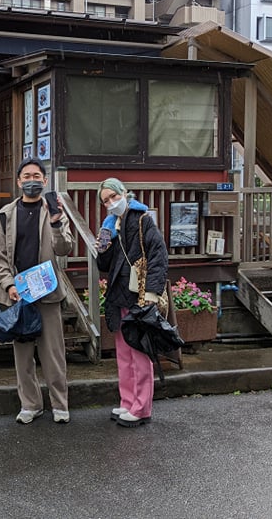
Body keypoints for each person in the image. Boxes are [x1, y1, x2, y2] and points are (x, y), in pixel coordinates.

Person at [0, 159, 75, 424]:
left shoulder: (53, 211)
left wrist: (55, 223)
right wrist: (9, 285)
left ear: (45, 181)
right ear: (18, 182)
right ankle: (30, 404)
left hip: (47, 292)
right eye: (26, 176)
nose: (31, 180)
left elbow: (65, 249)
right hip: (18, 294)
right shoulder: (6, 215)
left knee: (53, 354)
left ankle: (60, 404)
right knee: (23, 356)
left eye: (36, 176)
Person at [95, 178, 169, 428]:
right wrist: (103, 249)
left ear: (123, 193)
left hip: (139, 295)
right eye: (106, 200)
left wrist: (152, 293)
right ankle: (127, 402)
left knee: (139, 353)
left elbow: (158, 255)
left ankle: (142, 407)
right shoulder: (109, 226)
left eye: (113, 196)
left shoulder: (142, 218)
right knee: (124, 354)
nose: (111, 202)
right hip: (119, 295)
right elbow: (104, 266)